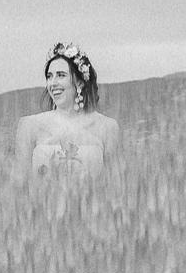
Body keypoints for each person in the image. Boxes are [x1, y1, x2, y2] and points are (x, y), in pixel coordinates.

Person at [15, 42, 120, 180]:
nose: (53, 83)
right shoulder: (29, 126)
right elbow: (21, 184)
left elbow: (115, 185)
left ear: (80, 82)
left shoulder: (107, 127)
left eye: (61, 75)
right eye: (49, 76)